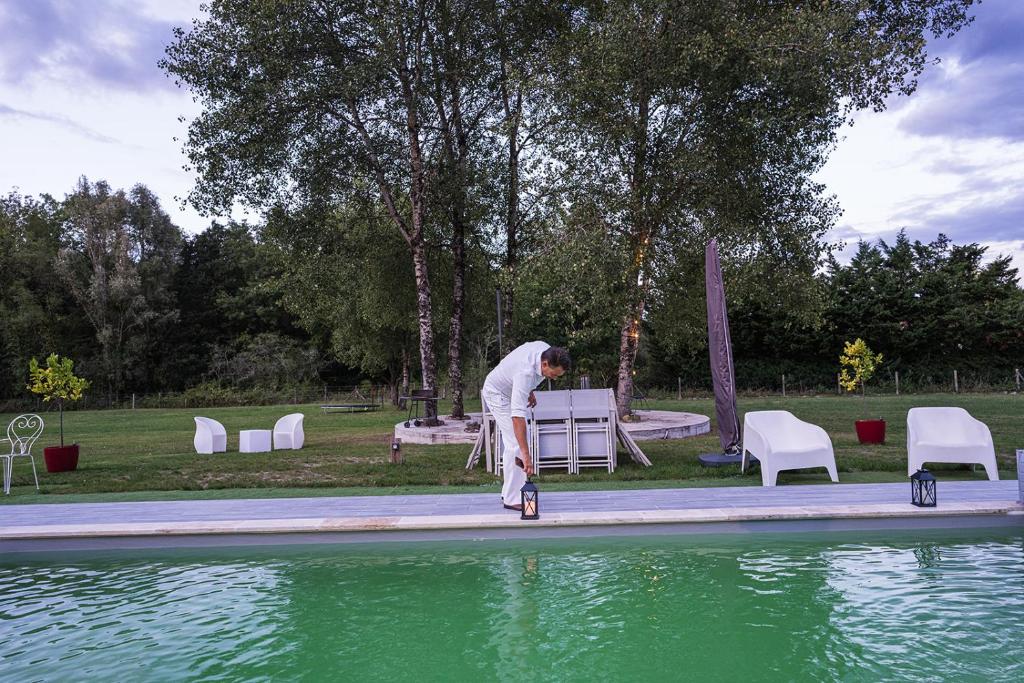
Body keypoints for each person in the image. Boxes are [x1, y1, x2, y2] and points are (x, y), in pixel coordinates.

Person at [481, 342, 571, 510]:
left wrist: (528, 390)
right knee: (516, 444)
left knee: (516, 442)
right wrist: (526, 455)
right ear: (544, 364)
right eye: (554, 374)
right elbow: (517, 417)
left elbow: (521, 373)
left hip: (512, 389)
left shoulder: (546, 350)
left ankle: (508, 491)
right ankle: (512, 498)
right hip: (497, 394)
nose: (554, 378)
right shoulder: (525, 373)